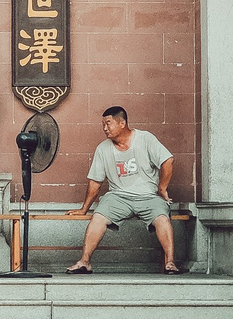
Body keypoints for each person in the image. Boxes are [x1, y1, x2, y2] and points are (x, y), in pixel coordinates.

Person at [65, 106, 178, 274]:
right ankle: (85, 262)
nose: (105, 128)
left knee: (162, 218)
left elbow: (168, 160)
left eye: (108, 123)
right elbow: (95, 181)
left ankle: (170, 263)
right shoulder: (103, 149)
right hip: (118, 197)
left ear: (122, 123)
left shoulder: (145, 139)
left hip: (148, 196)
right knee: (98, 218)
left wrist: (162, 188)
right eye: (103, 124)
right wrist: (84, 209)